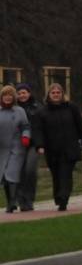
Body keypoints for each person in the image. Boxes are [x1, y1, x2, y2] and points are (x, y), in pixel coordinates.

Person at [36, 83, 82, 211]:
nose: (55, 95)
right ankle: (58, 197)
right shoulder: (43, 111)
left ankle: (64, 197)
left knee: (66, 173)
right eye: (53, 93)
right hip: (52, 148)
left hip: (69, 147)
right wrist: (40, 145)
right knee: (56, 175)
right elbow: (39, 130)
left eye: (58, 92)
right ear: (49, 95)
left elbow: (79, 125)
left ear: (62, 94)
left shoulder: (71, 108)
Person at [0, 85, 31, 213]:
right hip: (2, 149)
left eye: (10, 95)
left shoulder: (19, 111)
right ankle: (10, 202)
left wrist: (25, 137)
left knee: (11, 174)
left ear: (14, 97)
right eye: (5, 95)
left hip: (16, 147)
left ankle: (13, 202)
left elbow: (26, 126)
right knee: (4, 176)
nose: (7, 97)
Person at [14, 83, 42, 211]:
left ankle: (29, 198)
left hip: (33, 144)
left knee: (30, 171)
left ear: (29, 93)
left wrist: (41, 144)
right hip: (17, 145)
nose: (22, 95)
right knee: (19, 172)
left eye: (24, 92)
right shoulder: (13, 108)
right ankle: (21, 200)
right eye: (19, 93)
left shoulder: (37, 108)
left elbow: (42, 127)